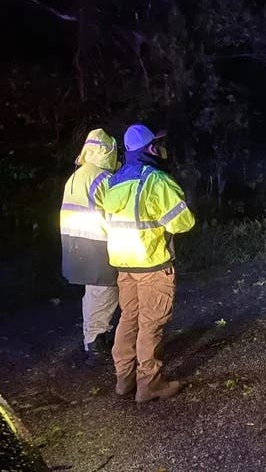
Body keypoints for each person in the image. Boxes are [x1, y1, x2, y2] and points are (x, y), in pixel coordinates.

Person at [102, 123, 195, 402]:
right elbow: (183, 223)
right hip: (152, 263)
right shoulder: (155, 181)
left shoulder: (113, 182)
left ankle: (124, 379)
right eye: (156, 144)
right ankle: (149, 384)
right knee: (150, 323)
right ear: (149, 149)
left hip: (123, 265)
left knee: (128, 319)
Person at [60, 129, 120, 366]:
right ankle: (95, 343)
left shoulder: (77, 175)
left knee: (93, 293)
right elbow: (114, 211)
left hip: (74, 243)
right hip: (96, 241)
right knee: (103, 292)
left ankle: (93, 338)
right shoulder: (103, 178)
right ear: (106, 151)